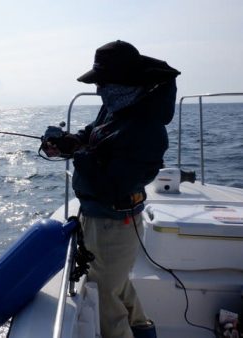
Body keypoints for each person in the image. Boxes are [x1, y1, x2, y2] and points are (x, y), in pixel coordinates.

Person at [41, 40, 180, 338]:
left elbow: (115, 184)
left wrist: (81, 156)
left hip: (113, 225)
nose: (98, 89)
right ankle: (143, 331)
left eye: (102, 82)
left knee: (105, 298)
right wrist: (68, 142)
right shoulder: (117, 108)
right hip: (99, 220)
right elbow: (93, 135)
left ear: (124, 82)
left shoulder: (146, 127)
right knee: (117, 286)